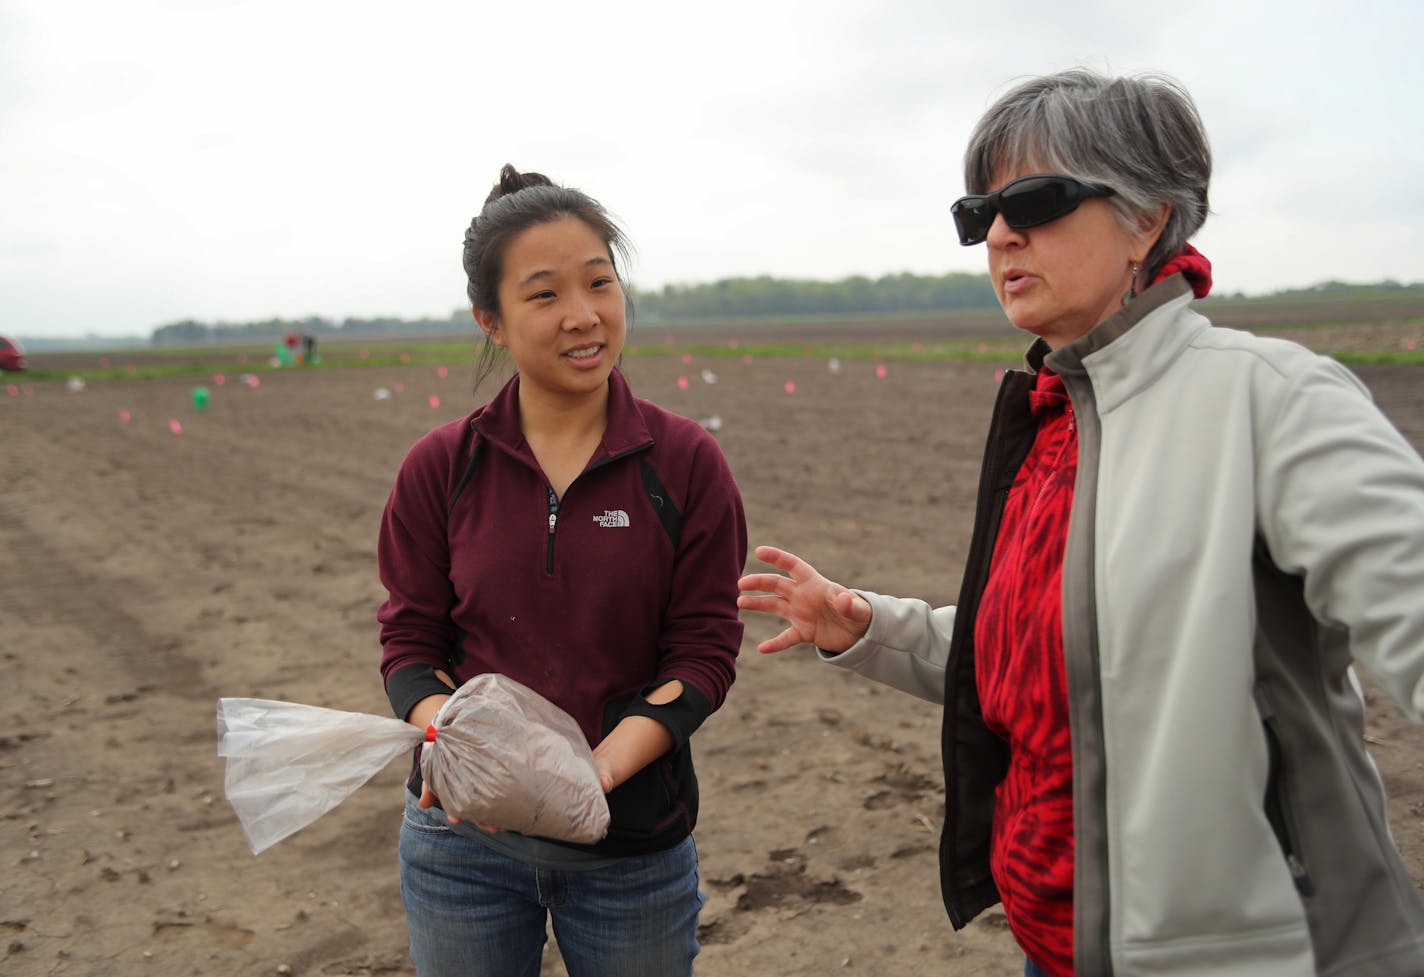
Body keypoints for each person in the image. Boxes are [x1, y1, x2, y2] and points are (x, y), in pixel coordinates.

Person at [737, 69, 1424, 977]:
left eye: (1038, 198)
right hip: (1056, 945)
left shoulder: (1271, 401)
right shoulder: (1054, 422)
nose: (1001, 233)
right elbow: (1051, 661)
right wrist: (865, 625)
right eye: (981, 211)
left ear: (1148, 216)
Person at [377, 164, 748, 977]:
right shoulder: (440, 467)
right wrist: (468, 749)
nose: (584, 316)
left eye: (600, 283)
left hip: (633, 850)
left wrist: (595, 770)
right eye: (544, 295)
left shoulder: (685, 461)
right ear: (493, 320)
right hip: (462, 845)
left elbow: (704, 649)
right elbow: (411, 643)